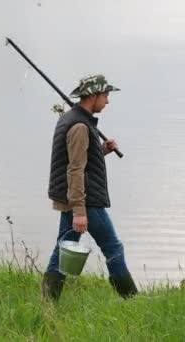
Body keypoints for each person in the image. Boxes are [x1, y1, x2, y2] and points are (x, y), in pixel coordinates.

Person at [42, 75, 138, 301]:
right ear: (93, 96)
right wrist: (79, 211)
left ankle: (48, 302)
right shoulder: (79, 126)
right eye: (105, 95)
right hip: (85, 201)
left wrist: (101, 150)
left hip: (75, 198)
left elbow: (79, 160)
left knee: (62, 250)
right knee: (113, 247)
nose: (107, 101)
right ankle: (131, 299)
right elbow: (75, 170)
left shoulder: (74, 119)